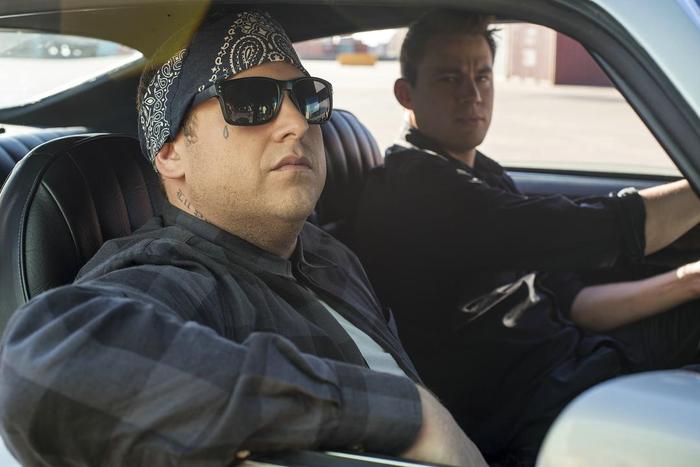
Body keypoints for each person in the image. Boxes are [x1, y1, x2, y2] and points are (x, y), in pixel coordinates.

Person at [0, 10, 487, 467]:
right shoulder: (183, 275)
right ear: (170, 153)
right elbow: (47, 365)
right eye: (251, 102)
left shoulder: (326, 253)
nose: (296, 122)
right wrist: (407, 415)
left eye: (307, 97)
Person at [353, 9, 700, 467]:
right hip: (529, 410)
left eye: (482, 76)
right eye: (449, 78)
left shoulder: (479, 173)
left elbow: (576, 302)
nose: (472, 94)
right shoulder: (419, 190)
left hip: (572, 363)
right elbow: (589, 230)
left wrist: (687, 281)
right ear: (406, 93)